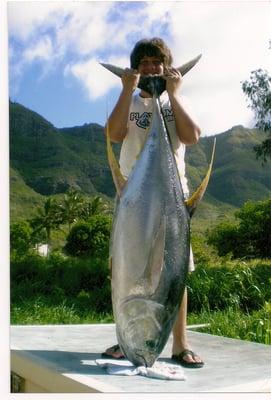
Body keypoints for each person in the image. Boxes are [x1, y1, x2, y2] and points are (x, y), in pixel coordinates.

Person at [102, 37, 204, 368]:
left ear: (166, 67)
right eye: (143, 62)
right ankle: (125, 339)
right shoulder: (130, 103)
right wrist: (125, 89)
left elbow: (192, 136)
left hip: (172, 202)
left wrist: (173, 94)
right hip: (133, 198)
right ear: (135, 68)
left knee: (175, 271)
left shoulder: (176, 103)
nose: (150, 67)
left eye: (156, 61)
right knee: (125, 265)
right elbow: (115, 134)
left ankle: (180, 344)